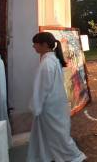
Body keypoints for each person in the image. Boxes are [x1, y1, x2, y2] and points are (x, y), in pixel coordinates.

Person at [27, 32, 86, 162]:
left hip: (50, 107)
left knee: (58, 136)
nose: (33, 46)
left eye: (35, 44)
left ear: (43, 45)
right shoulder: (51, 60)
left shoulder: (47, 63)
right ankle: (48, 156)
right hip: (55, 104)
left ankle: (75, 157)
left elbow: (41, 89)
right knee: (53, 135)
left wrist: (35, 107)